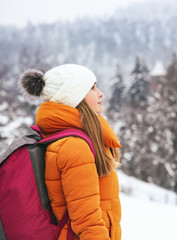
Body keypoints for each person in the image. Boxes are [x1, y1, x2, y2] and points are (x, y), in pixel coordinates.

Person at [19, 64, 122, 240]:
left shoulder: (73, 138)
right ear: (74, 97)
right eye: (92, 88)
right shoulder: (74, 147)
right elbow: (87, 222)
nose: (100, 93)